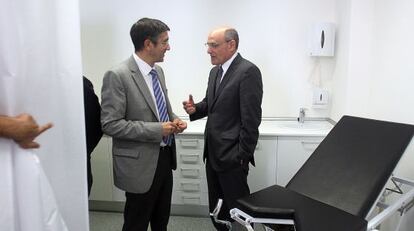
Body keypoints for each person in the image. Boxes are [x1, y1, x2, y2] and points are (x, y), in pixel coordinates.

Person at [100, 18, 187, 231]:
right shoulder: (117, 75)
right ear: (149, 44)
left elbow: (160, 110)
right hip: (139, 166)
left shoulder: (158, 72)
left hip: (165, 159)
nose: (169, 47)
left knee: (161, 221)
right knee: (136, 223)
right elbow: (110, 124)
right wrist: (158, 130)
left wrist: (174, 119)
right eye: (165, 42)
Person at [182, 27, 263, 230]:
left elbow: (251, 120)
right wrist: (196, 109)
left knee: (238, 212)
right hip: (213, 154)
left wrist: (242, 156)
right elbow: (213, 104)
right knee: (217, 209)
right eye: (208, 45)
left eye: (214, 45)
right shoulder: (215, 71)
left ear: (231, 45)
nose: (209, 50)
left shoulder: (248, 72)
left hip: (232, 158)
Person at [83, 76, 103, 196]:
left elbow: (95, 122)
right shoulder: (82, 83)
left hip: (79, 159)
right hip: (79, 159)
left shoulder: (82, 85)